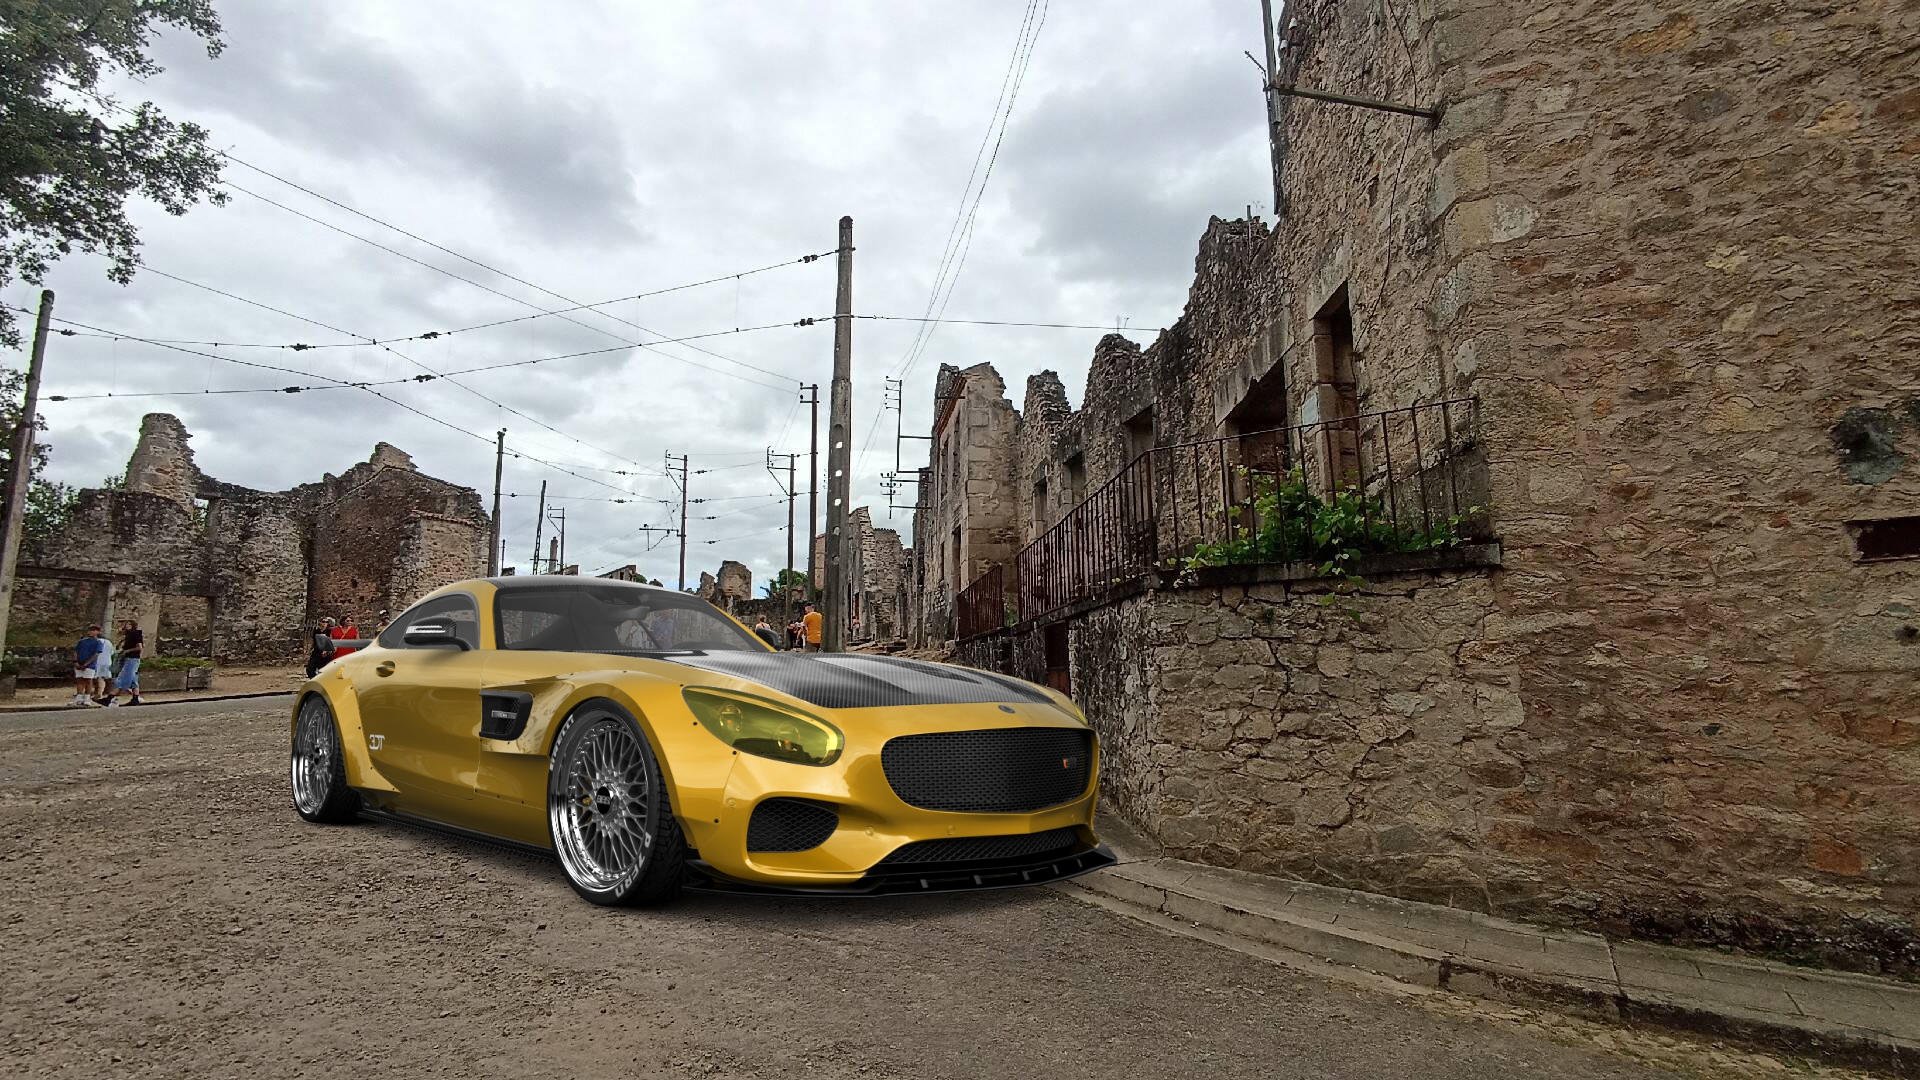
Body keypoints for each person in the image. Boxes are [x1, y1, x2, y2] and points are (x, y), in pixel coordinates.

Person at [104, 619, 143, 707]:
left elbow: (139, 647)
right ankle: (135, 698)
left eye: (129, 624)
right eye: (126, 624)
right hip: (128, 658)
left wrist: (127, 651)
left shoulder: (136, 634)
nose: (127, 625)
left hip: (132, 658)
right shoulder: (128, 635)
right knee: (133, 680)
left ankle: (109, 698)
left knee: (123, 678)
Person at [71, 624, 106, 707]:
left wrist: (86, 664)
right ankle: (79, 697)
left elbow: (96, 654)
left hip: (90, 665)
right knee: (79, 680)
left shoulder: (98, 642)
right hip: (79, 662)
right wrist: (76, 661)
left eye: (93, 630)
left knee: (88, 680)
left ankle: (87, 697)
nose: (91, 632)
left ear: (97, 632)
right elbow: (76, 651)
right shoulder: (82, 641)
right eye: (90, 630)